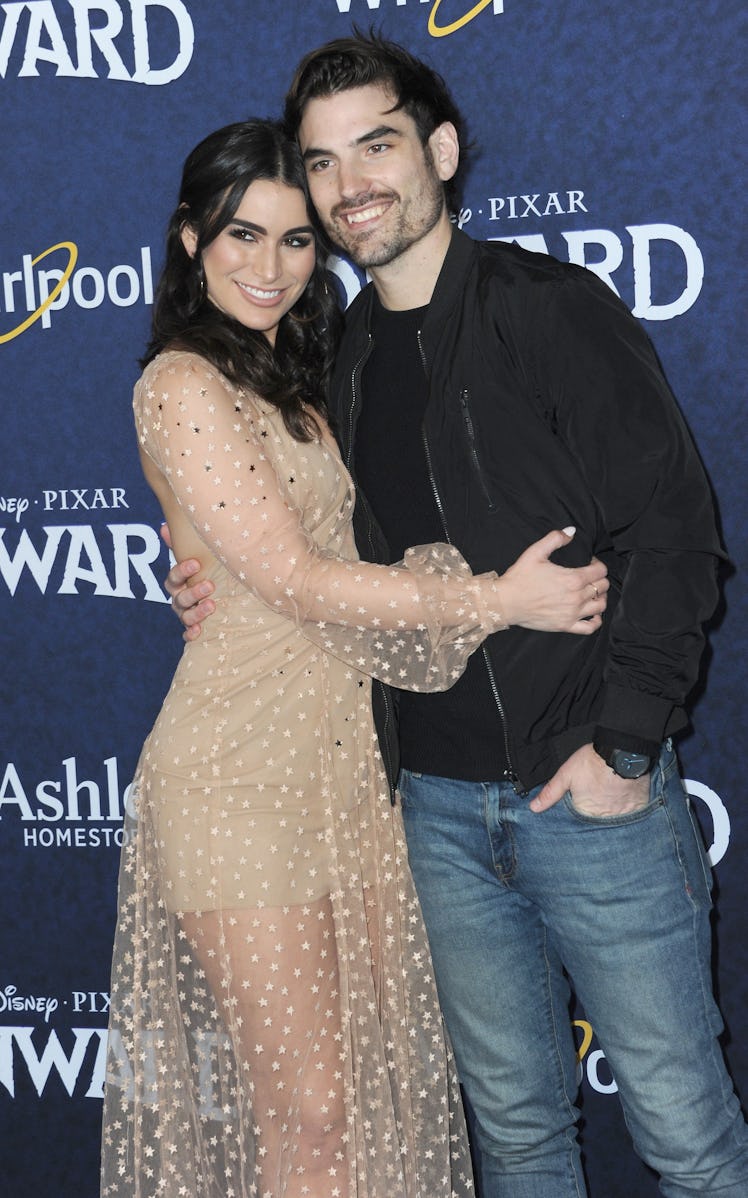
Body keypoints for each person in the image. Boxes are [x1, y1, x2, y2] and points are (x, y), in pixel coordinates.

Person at [166, 34, 748, 1198]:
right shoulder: (332, 363)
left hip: (592, 797)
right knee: (517, 1138)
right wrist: (200, 567)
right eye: (322, 165)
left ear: (438, 149)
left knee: (686, 1136)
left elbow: (676, 531)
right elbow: (295, 546)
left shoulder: (551, 308)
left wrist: (625, 742)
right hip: (426, 813)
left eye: (375, 146)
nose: (349, 187)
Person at [101, 117, 609, 1198]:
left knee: (373, 1102)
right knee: (316, 1113)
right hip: (237, 780)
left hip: (342, 776)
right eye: (241, 236)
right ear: (191, 241)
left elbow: (312, 553)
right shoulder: (181, 384)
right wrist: (496, 597)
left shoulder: (300, 372)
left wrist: (195, 562)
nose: (270, 267)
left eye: (295, 241)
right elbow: (292, 580)